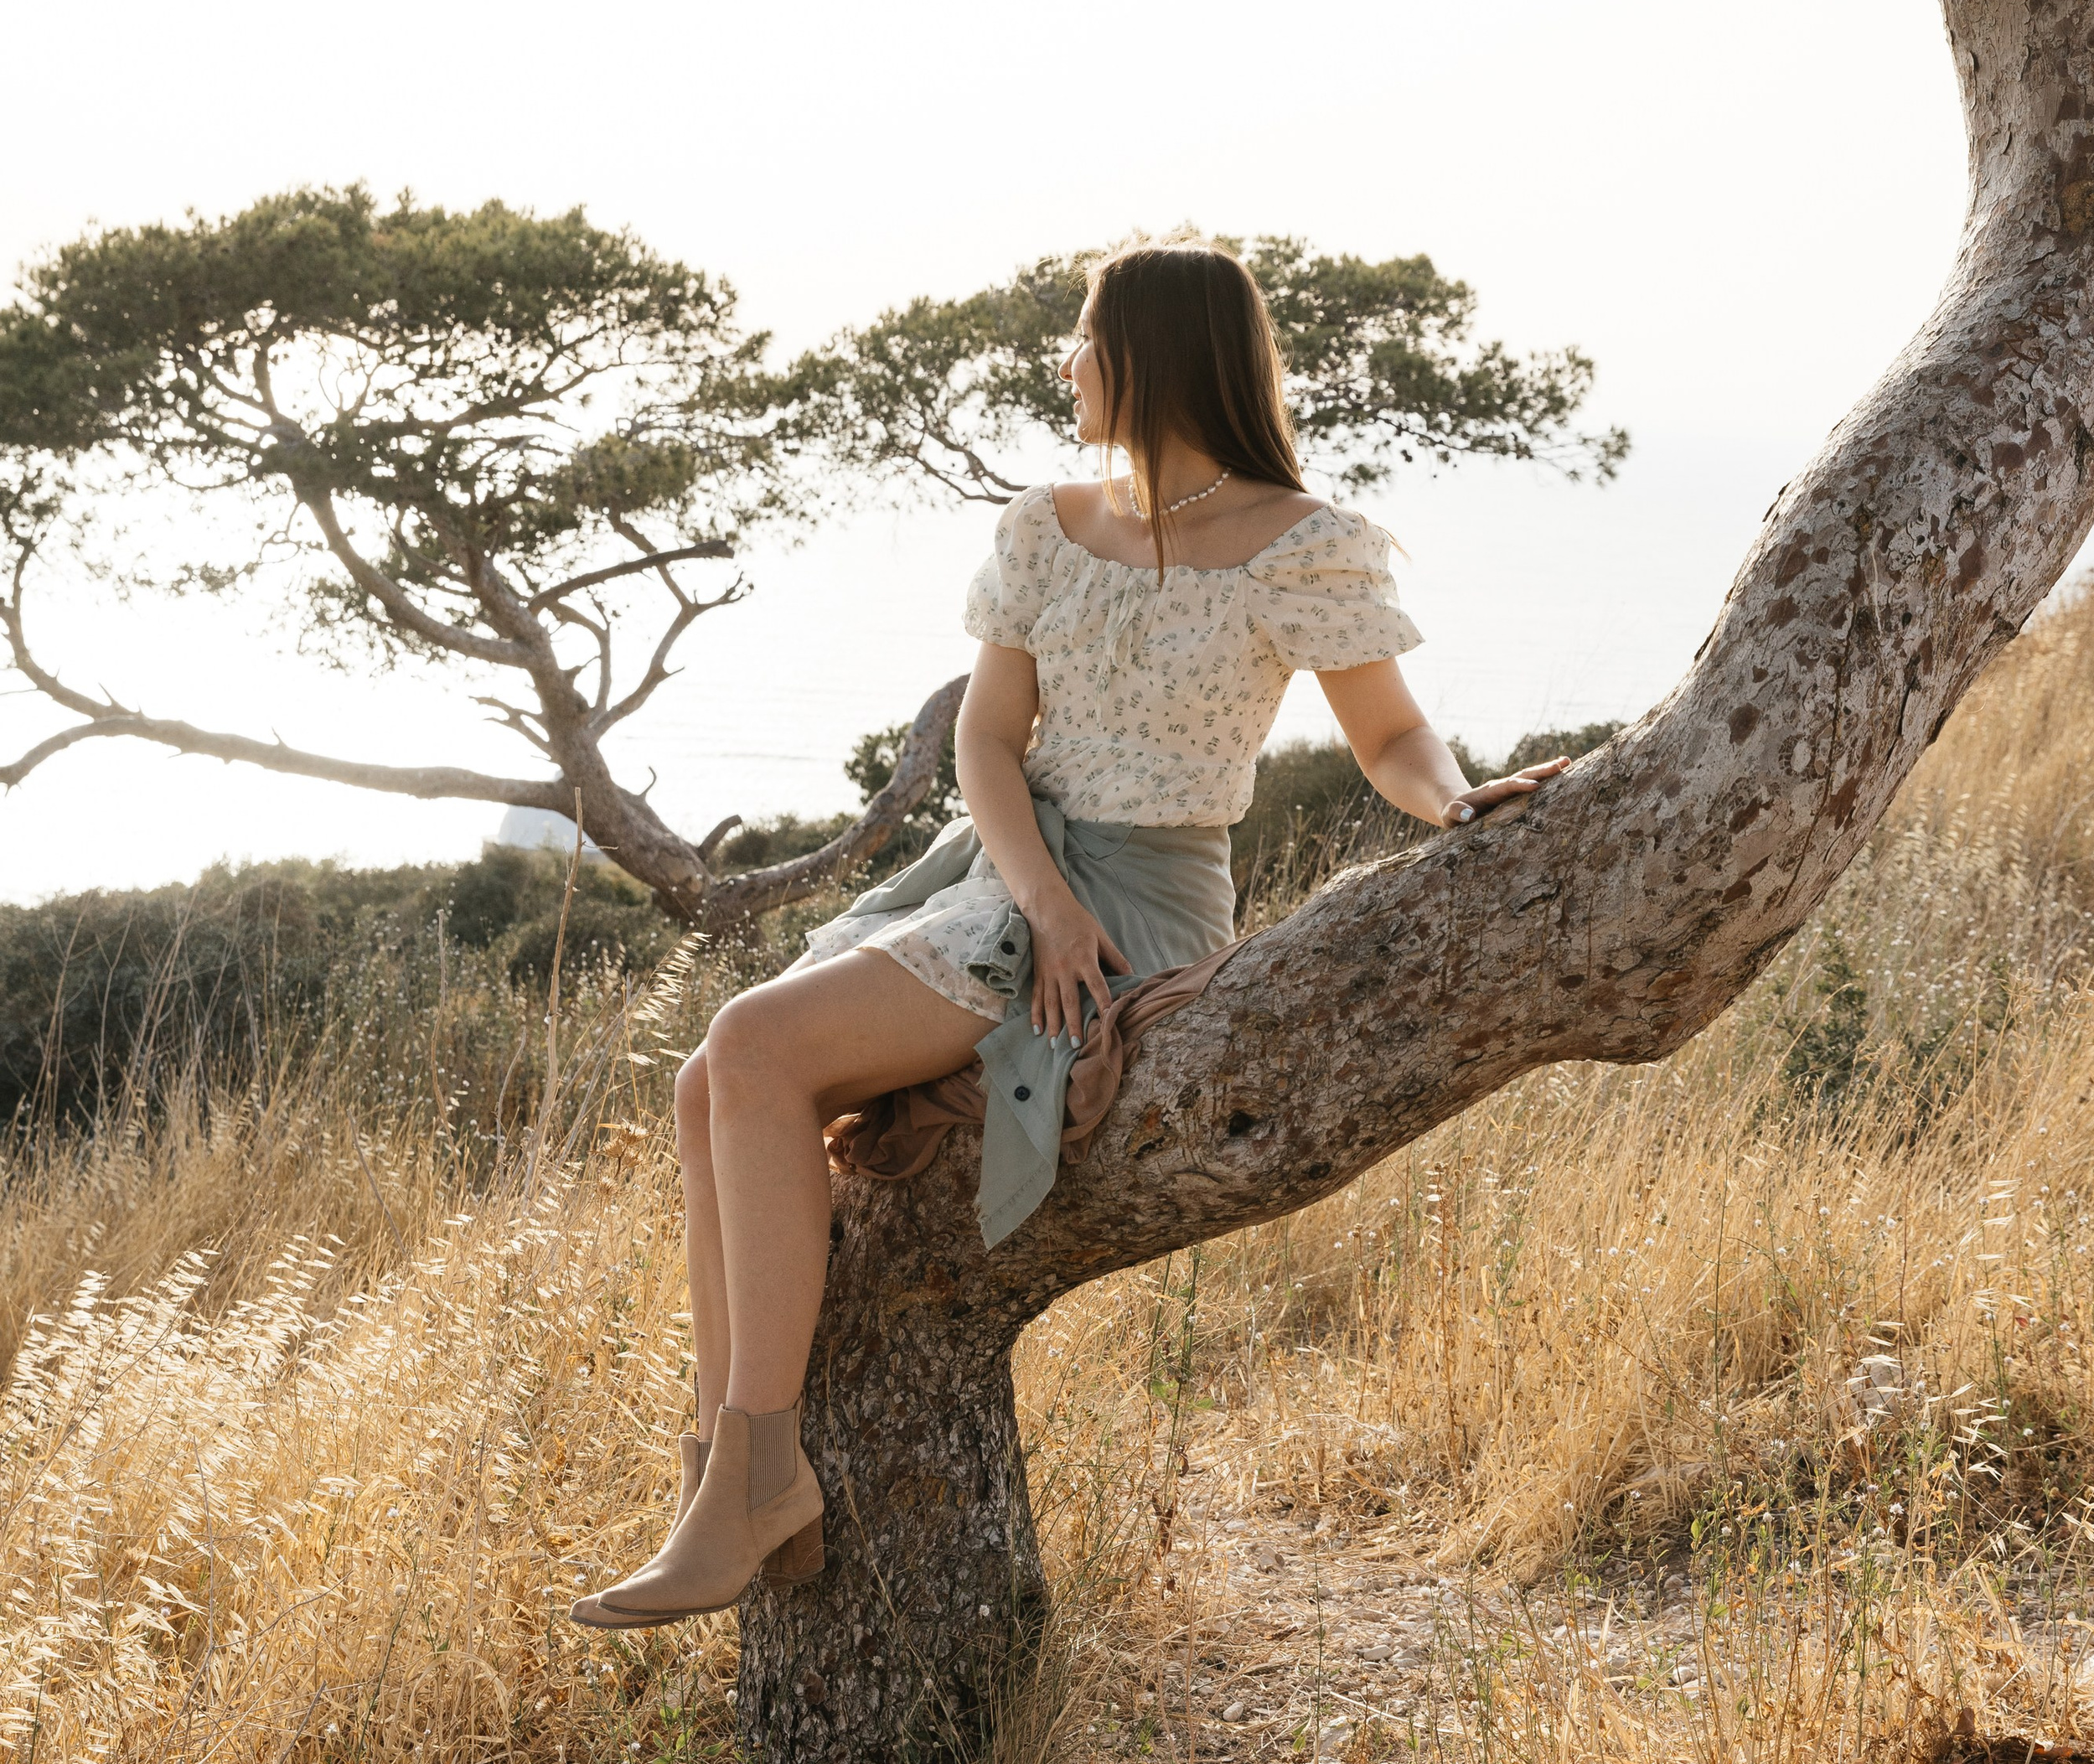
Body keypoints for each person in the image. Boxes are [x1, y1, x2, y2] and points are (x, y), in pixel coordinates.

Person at [570, 243, 1567, 1629]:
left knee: (748, 1043)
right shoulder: (1047, 526)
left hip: (1145, 901)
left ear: (1151, 355)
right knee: (710, 1082)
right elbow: (988, 738)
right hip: (1016, 874)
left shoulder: (1302, 541)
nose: (1066, 362)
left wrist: (1456, 803)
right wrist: (1038, 898)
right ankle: (728, 1482)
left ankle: (752, 1481)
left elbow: (1390, 735)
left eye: (1086, 337)